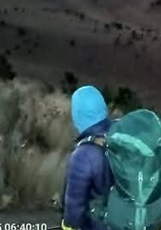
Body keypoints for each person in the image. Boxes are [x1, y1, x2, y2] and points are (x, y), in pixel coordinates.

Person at [62, 86, 112, 230]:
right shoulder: (120, 134)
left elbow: (74, 213)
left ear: (77, 115)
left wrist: (67, 226)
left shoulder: (82, 156)